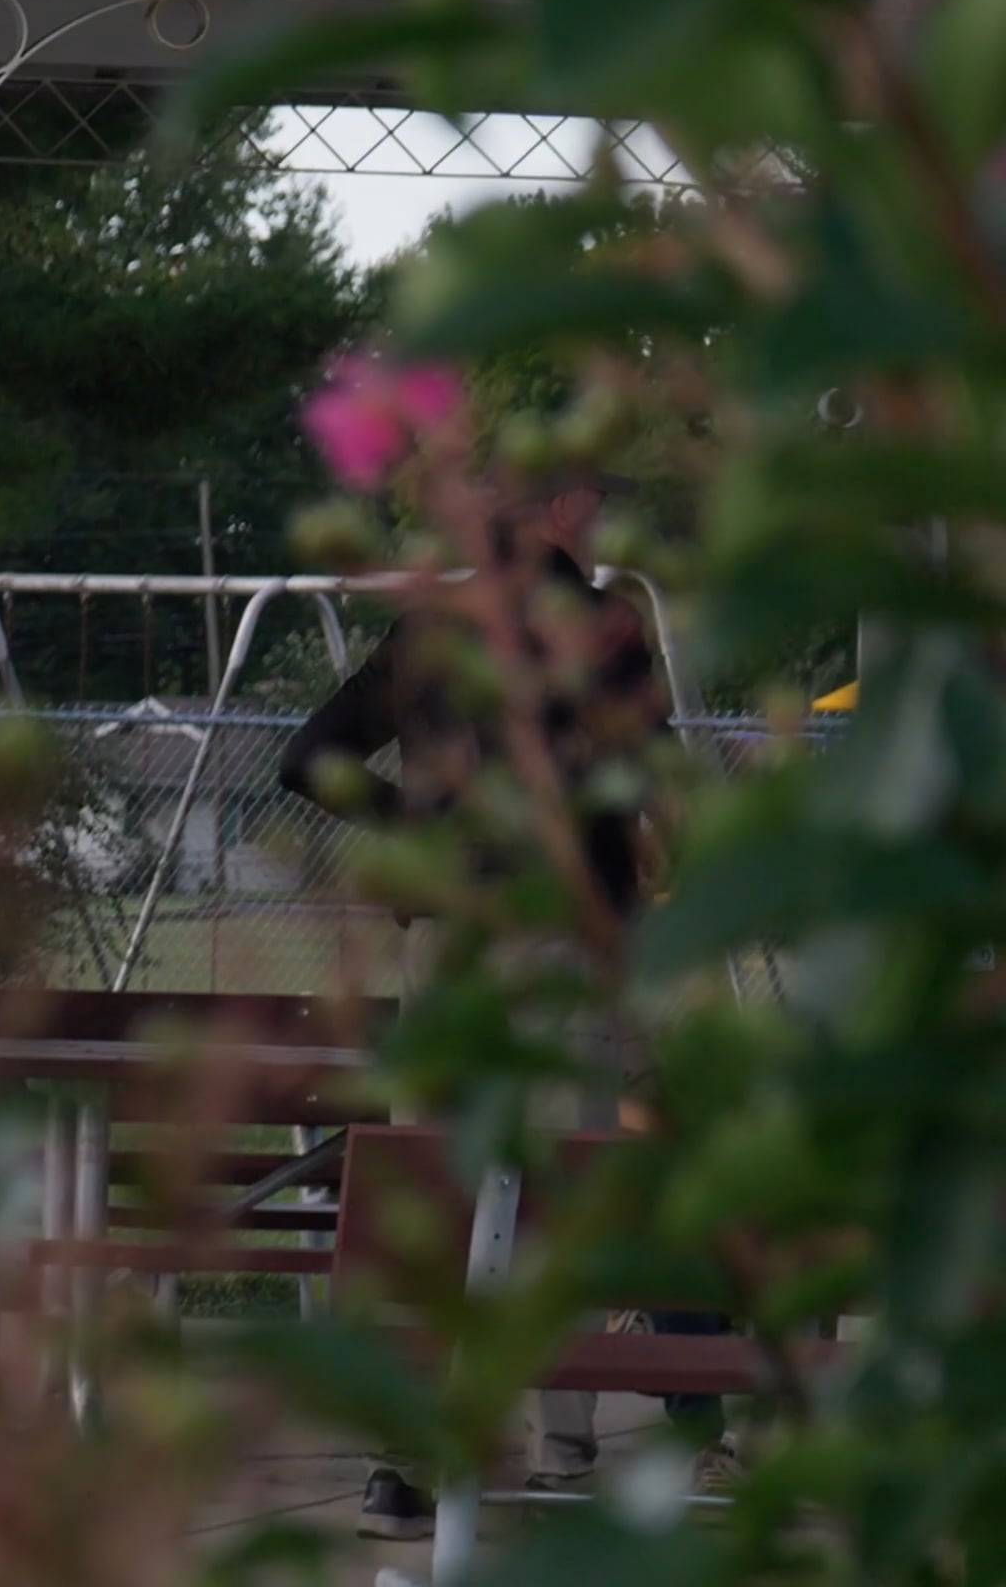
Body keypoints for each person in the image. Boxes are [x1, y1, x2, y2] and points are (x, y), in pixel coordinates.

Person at [276, 472, 686, 1541]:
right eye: (592, 500)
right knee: (564, 1196)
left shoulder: (429, 630)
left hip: (447, 948)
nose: (601, 517)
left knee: (434, 1193)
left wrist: (418, 827)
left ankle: (403, 1464)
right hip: (563, 944)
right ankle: (560, 1456)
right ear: (559, 510)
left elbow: (306, 759)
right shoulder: (600, 628)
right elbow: (658, 775)